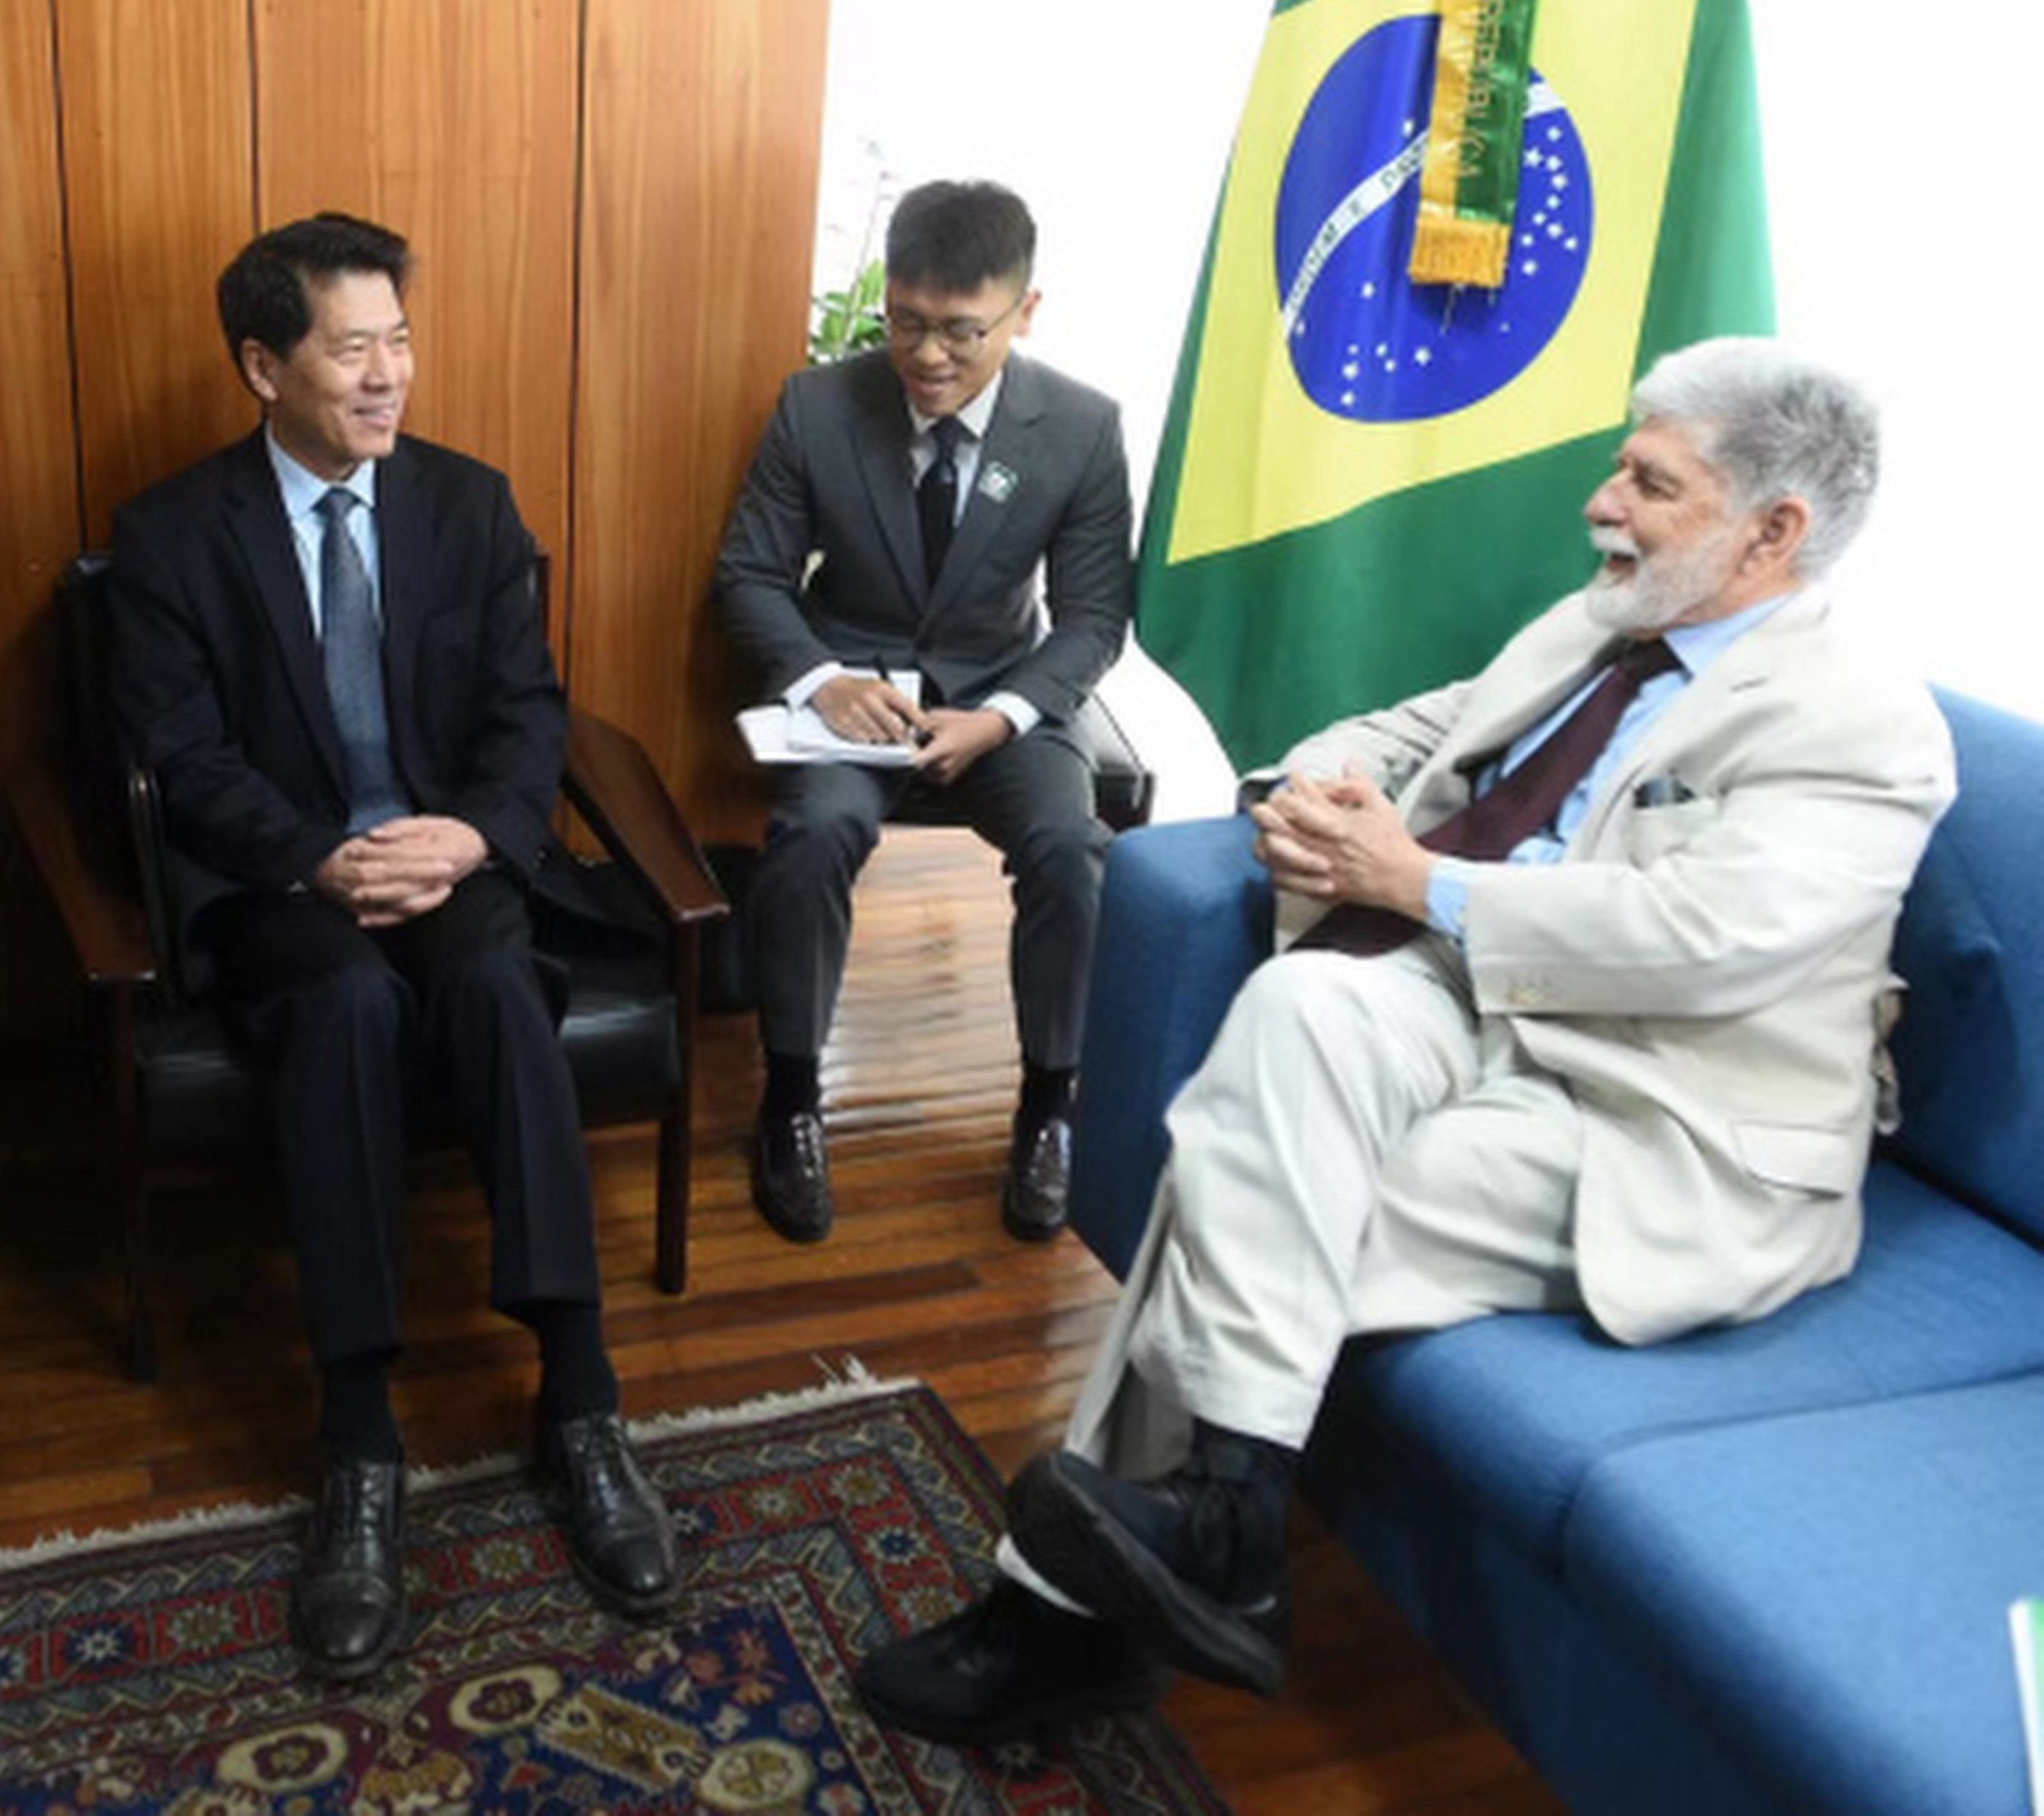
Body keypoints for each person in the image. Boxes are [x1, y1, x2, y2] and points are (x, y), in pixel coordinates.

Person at [853, 337, 1956, 1740]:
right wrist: (1309, 788)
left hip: (1654, 1109)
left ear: (1772, 531)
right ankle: (1228, 1530)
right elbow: (1414, 731)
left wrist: (1414, 882)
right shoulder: (1602, 624)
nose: (1599, 502)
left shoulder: (1861, 726)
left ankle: (1069, 1614)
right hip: (1462, 1006)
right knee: (1303, 1003)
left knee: (1230, 1195)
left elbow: (1706, 942)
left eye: (1646, 480)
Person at [107, 212, 680, 1681]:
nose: (386, 377)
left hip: (450, 855)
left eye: (399, 341)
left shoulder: (470, 509)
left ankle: (579, 1399)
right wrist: (317, 855)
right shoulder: (174, 535)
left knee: (493, 980)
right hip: (281, 885)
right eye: (350, 347)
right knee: (347, 1009)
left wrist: (474, 838)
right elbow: (173, 751)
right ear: (261, 365)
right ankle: (357, 1440)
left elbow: (525, 716)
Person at [714, 178, 1134, 1248]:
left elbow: (1091, 619)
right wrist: (821, 679)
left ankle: (1049, 1107)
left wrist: (1003, 716)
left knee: (1068, 849)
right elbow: (751, 577)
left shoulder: (1081, 429)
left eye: (961, 331)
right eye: (905, 324)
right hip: (850, 698)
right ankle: (794, 1096)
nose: (929, 356)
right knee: (812, 836)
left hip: (999, 696)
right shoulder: (817, 406)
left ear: (1025, 312)